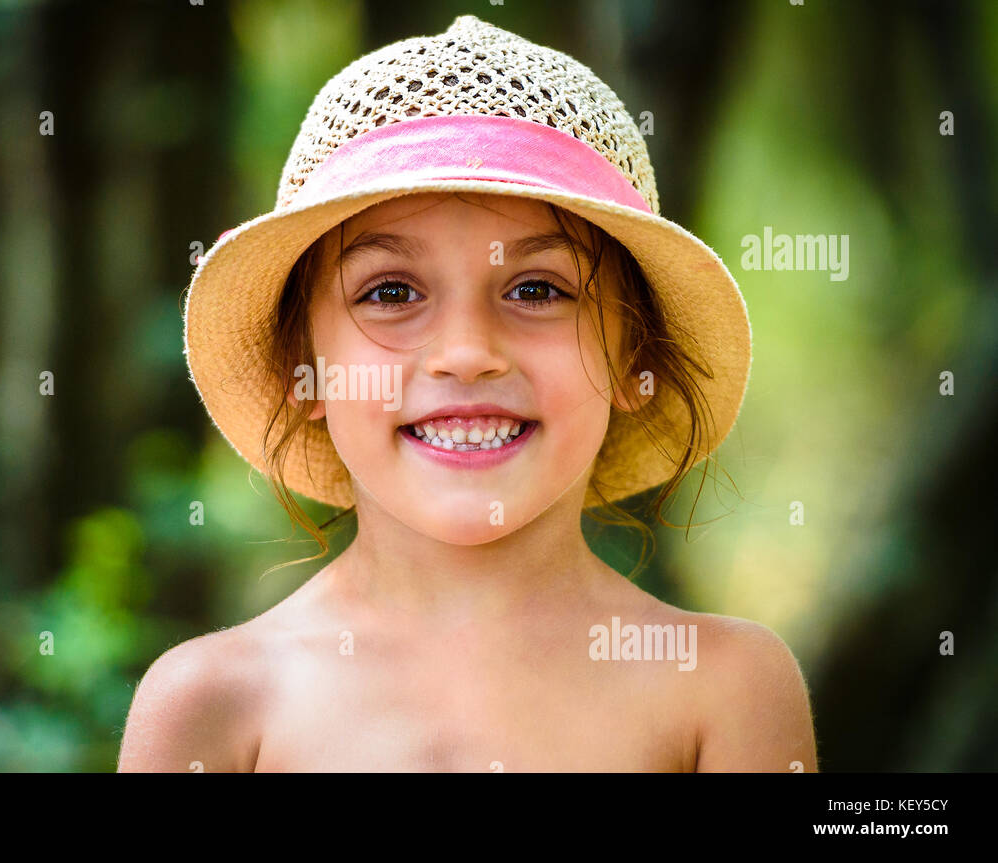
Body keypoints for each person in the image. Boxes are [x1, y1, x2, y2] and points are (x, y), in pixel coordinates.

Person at [119, 14, 817, 772]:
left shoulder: (723, 689)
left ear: (632, 355)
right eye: (390, 291)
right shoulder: (212, 705)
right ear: (303, 363)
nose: (466, 353)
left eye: (537, 288)